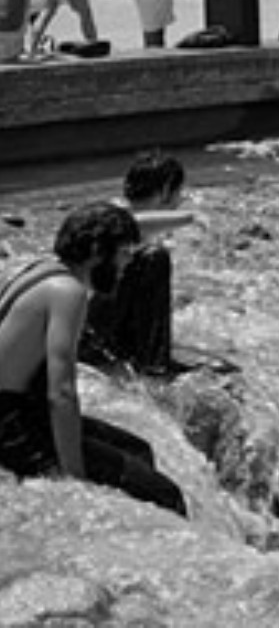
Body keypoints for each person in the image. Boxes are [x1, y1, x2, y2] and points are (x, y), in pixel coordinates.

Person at [0, 202, 187, 515]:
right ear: (99, 252)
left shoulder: (42, 270)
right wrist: (75, 477)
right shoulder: (67, 292)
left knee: (139, 450)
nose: (129, 261)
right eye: (125, 251)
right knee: (166, 494)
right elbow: (61, 393)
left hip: (19, 415)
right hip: (13, 429)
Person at [81, 151, 196, 376]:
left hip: (92, 329)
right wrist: (191, 217)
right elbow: (130, 224)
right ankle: (154, 368)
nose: (180, 200)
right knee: (154, 257)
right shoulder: (112, 219)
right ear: (166, 190)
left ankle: (146, 360)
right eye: (179, 193)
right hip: (86, 339)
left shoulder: (110, 215)